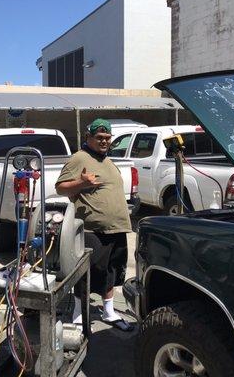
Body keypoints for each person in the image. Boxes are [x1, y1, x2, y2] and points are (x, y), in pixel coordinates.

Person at [55, 118, 133, 331]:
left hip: (116, 228)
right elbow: (61, 187)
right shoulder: (80, 158)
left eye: (107, 138)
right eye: (99, 138)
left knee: (111, 272)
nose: (104, 141)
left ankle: (109, 313)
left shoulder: (107, 160)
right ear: (88, 137)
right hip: (92, 230)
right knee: (86, 273)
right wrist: (81, 183)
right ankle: (78, 313)